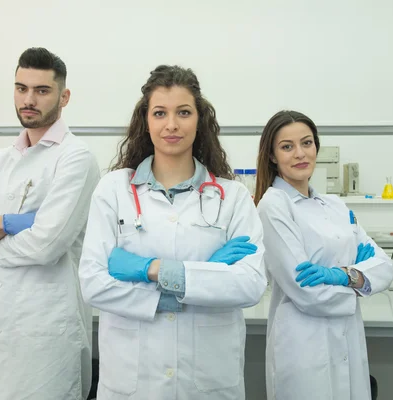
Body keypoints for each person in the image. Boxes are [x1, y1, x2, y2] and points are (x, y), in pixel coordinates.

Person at [78, 65, 266, 400]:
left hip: (208, 379)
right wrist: (201, 278)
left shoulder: (232, 196)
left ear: (199, 120)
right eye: (160, 113)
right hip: (132, 381)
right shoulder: (113, 190)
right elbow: (93, 282)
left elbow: (250, 284)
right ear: (146, 121)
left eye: (183, 112)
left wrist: (155, 271)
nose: (172, 125)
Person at [0, 47, 100, 400]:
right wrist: (7, 223)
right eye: (21, 88)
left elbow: (45, 247)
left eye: (41, 90)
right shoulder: (2, 160)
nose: (28, 99)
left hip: (47, 335)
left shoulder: (76, 159)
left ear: (64, 97)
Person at [254, 110, 393, 400]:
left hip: (348, 339)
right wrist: (360, 281)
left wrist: (344, 275)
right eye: (287, 146)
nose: (300, 154)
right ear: (272, 155)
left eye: (307, 143)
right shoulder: (273, 205)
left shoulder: (335, 206)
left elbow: (385, 266)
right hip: (303, 345)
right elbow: (307, 291)